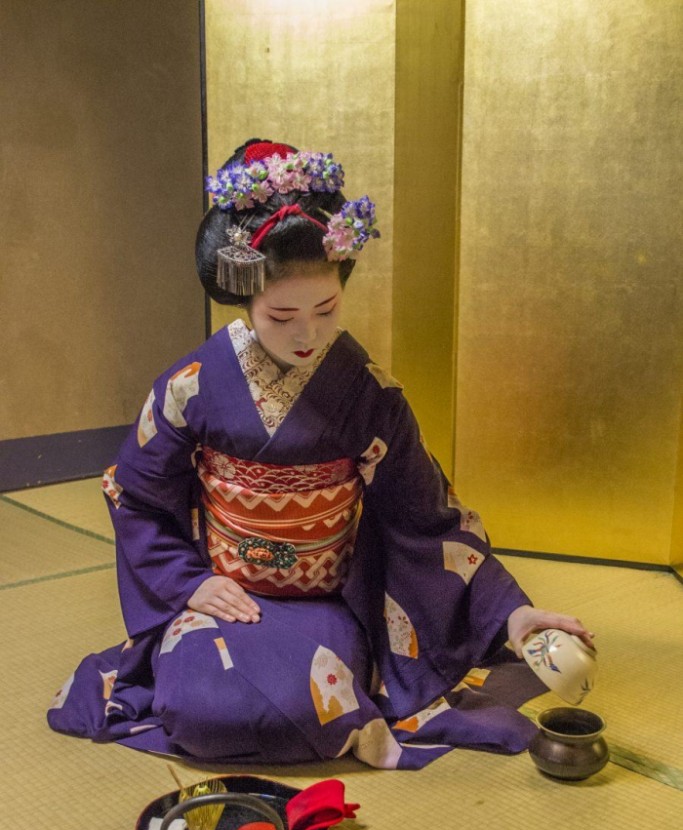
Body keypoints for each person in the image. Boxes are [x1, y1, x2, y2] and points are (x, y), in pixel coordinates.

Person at [47, 138, 593, 770]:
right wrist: (188, 583)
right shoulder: (190, 386)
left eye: (326, 309)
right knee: (196, 707)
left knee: (310, 703)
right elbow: (133, 491)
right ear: (245, 299)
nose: (307, 334)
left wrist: (515, 614)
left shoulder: (371, 396)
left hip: (323, 603)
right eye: (282, 315)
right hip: (224, 594)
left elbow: (427, 521)